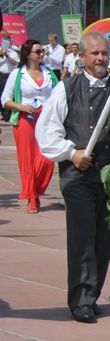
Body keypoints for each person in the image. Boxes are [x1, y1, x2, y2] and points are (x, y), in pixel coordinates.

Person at [36, 31, 110, 323]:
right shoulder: (66, 88)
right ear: (82, 56)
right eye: (95, 54)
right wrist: (71, 152)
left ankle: (91, 294)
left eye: (105, 53)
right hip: (77, 175)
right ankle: (80, 299)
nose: (101, 58)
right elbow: (47, 131)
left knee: (103, 238)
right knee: (82, 237)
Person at [1, 39, 58, 213]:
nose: (42, 54)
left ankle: (36, 190)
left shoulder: (49, 73)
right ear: (28, 54)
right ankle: (32, 197)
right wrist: (21, 107)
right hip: (26, 119)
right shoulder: (17, 74)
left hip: (46, 120)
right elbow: (5, 100)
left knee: (47, 158)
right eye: (38, 51)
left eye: (42, 51)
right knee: (27, 160)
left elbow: (59, 95)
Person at [0, 41, 19, 121]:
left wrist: (6, 55)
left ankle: (7, 115)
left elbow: (16, 63)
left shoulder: (13, 53)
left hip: (8, 76)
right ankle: (3, 113)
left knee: (8, 95)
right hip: (0, 74)